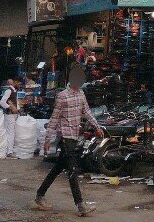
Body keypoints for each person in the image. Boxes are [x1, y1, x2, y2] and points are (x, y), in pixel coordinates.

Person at [33, 67, 101, 217]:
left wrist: (97, 126)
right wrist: (48, 139)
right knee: (72, 171)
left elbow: (87, 112)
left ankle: (40, 195)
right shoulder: (62, 96)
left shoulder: (81, 94)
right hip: (65, 138)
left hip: (74, 137)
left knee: (58, 168)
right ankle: (81, 205)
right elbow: (54, 119)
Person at [0, 77, 20, 158]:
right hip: (9, 114)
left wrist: (17, 109)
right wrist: (9, 107)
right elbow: (2, 102)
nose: (19, 85)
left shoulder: (14, 91)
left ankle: (8, 150)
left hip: (13, 114)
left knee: (10, 132)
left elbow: (15, 102)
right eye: (19, 83)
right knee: (10, 133)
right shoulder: (9, 90)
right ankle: (9, 152)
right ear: (15, 82)